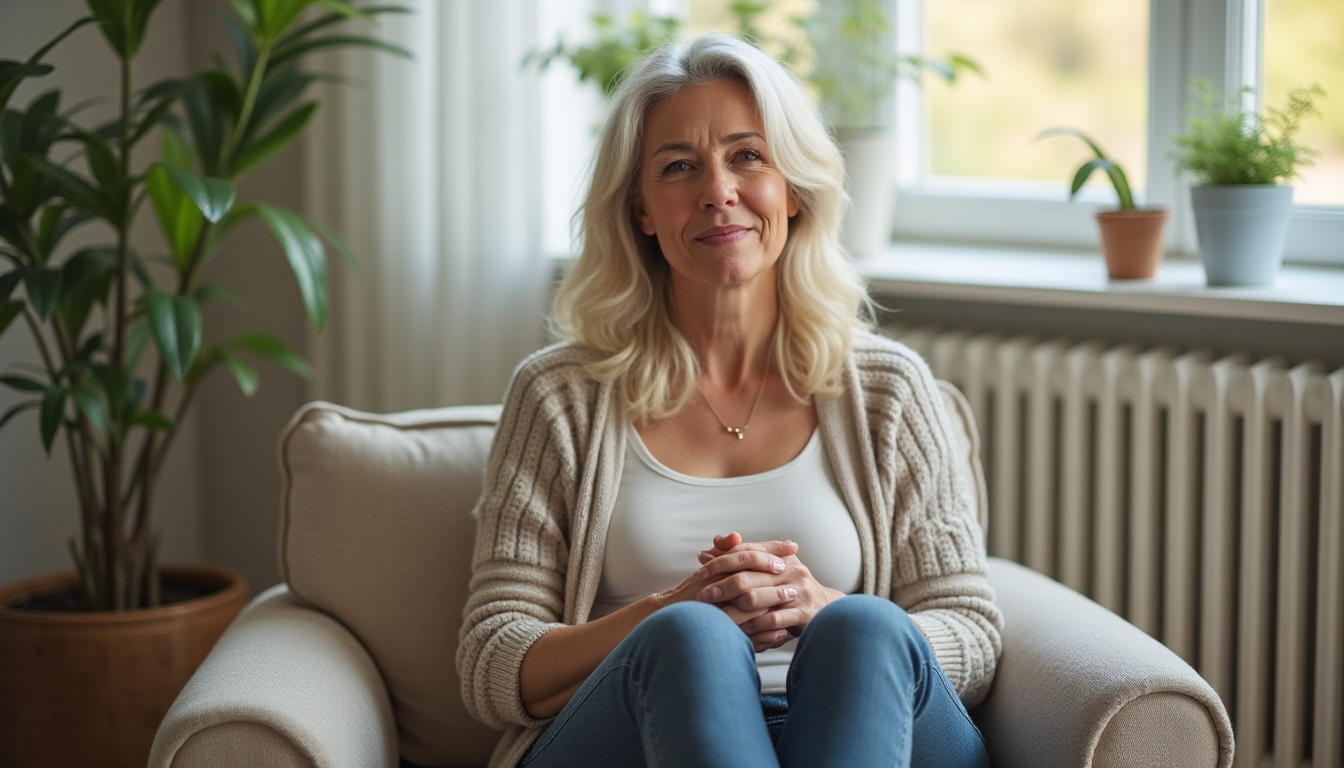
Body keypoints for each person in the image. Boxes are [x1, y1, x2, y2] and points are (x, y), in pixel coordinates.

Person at [456, 33, 1002, 768]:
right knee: (692, 637)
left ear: (795, 191)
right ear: (642, 210)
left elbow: (969, 626)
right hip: (639, 736)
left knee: (865, 628)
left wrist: (824, 606)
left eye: (748, 155)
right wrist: (667, 610)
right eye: (679, 167)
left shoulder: (889, 389)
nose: (718, 190)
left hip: (862, 729)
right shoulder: (560, 397)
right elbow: (492, 664)